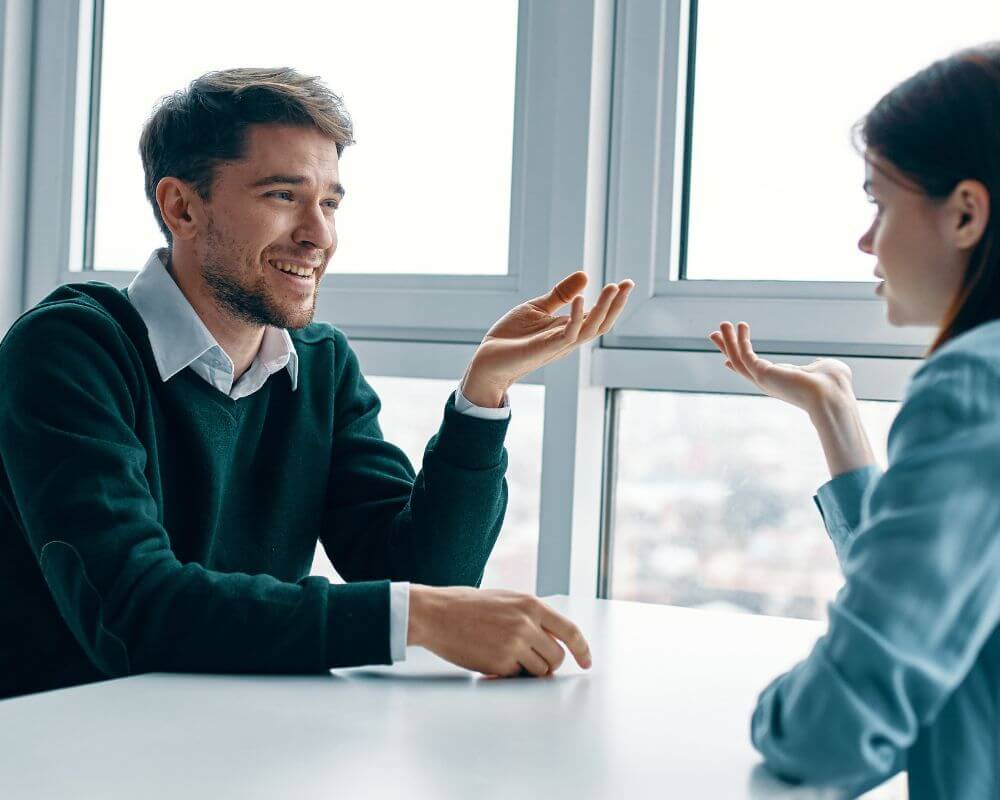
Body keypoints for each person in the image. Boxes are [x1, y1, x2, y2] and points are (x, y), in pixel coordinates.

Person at [0, 67, 634, 700]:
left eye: (329, 202)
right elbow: (131, 607)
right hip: (58, 751)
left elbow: (424, 575)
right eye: (283, 196)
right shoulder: (68, 350)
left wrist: (481, 395)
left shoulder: (319, 365)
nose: (320, 235)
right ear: (182, 207)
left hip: (226, 739)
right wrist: (416, 617)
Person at [709, 44, 1000, 798]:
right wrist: (837, 421)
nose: (866, 241)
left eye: (879, 201)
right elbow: (946, 608)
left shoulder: (975, 382)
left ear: (965, 212)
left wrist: (771, 716)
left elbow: (838, 728)